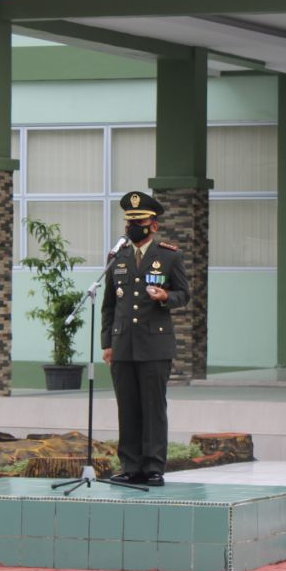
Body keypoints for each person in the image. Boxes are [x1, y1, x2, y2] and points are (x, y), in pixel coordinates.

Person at [101, 191, 190, 488]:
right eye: (129, 222)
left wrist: (166, 296)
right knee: (127, 408)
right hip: (123, 344)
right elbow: (109, 305)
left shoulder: (169, 255)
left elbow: (184, 294)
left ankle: (153, 467)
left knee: (153, 408)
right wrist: (107, 344)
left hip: (155, 345)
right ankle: (130, 466)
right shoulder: (118, 258)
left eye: (139, 221)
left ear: (153, 224)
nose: (132, 227)